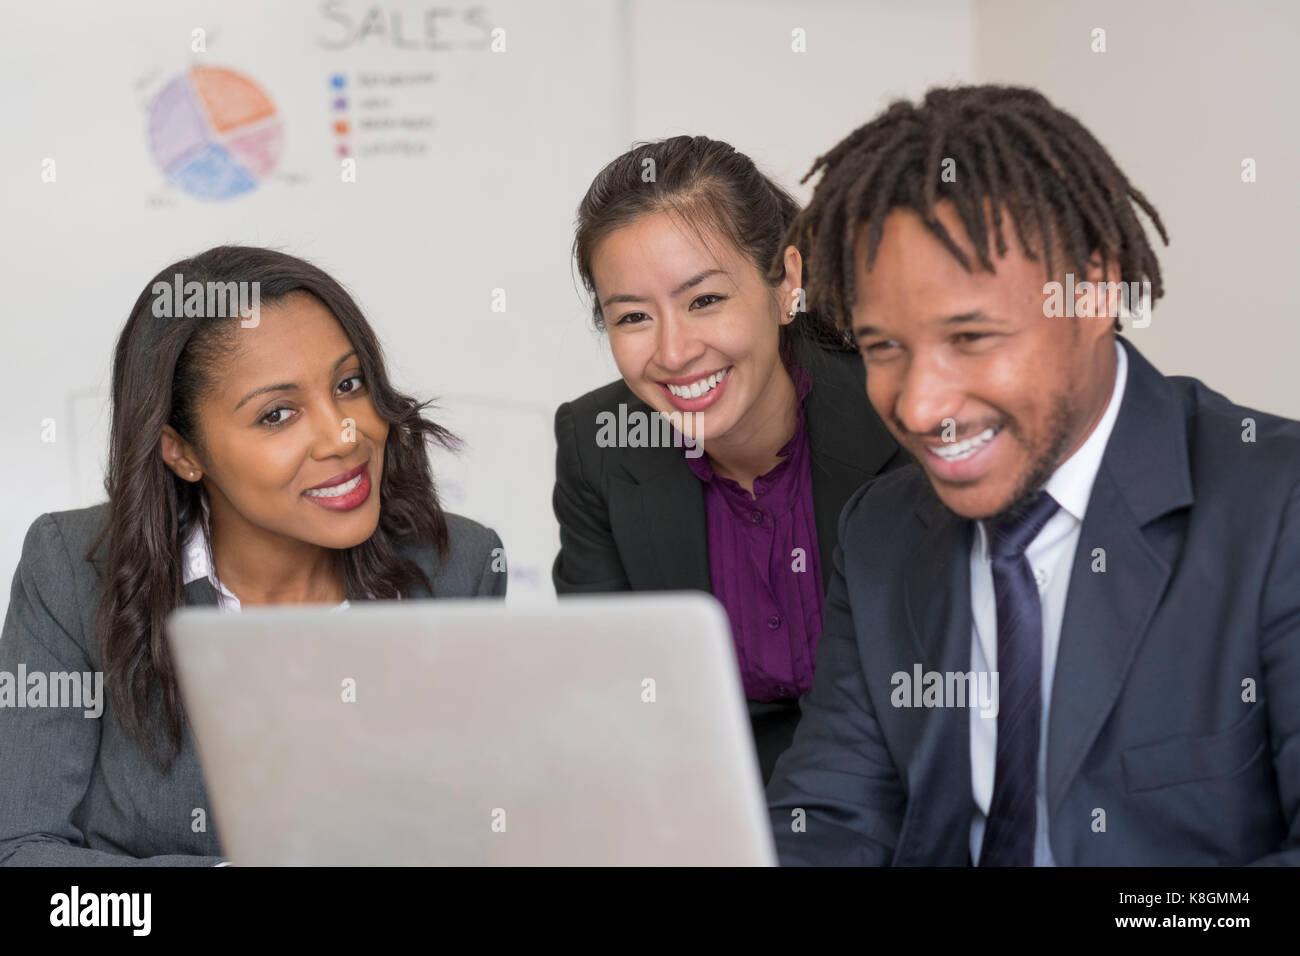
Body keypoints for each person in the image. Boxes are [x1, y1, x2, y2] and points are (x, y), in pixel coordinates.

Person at [766, 85, 1300, 865]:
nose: (920, 406)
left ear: (1091, 294)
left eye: (971, 337)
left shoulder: (1276, 505)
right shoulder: (881, 530)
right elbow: (832, 818)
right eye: (884, 348)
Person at [0, 245, 506, 865]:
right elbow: (23, 852)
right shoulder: (71, 570)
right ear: (181, 450)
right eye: (277, 414)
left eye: (349, 384)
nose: (345, 436)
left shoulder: (460, 568)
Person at [553, 136, 905, 783]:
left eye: (705, 300)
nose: (674, 351)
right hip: (705, 806)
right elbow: (608, 694)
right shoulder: (597, 442)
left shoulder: (898, 409)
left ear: (786, 282)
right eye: (632, 317)